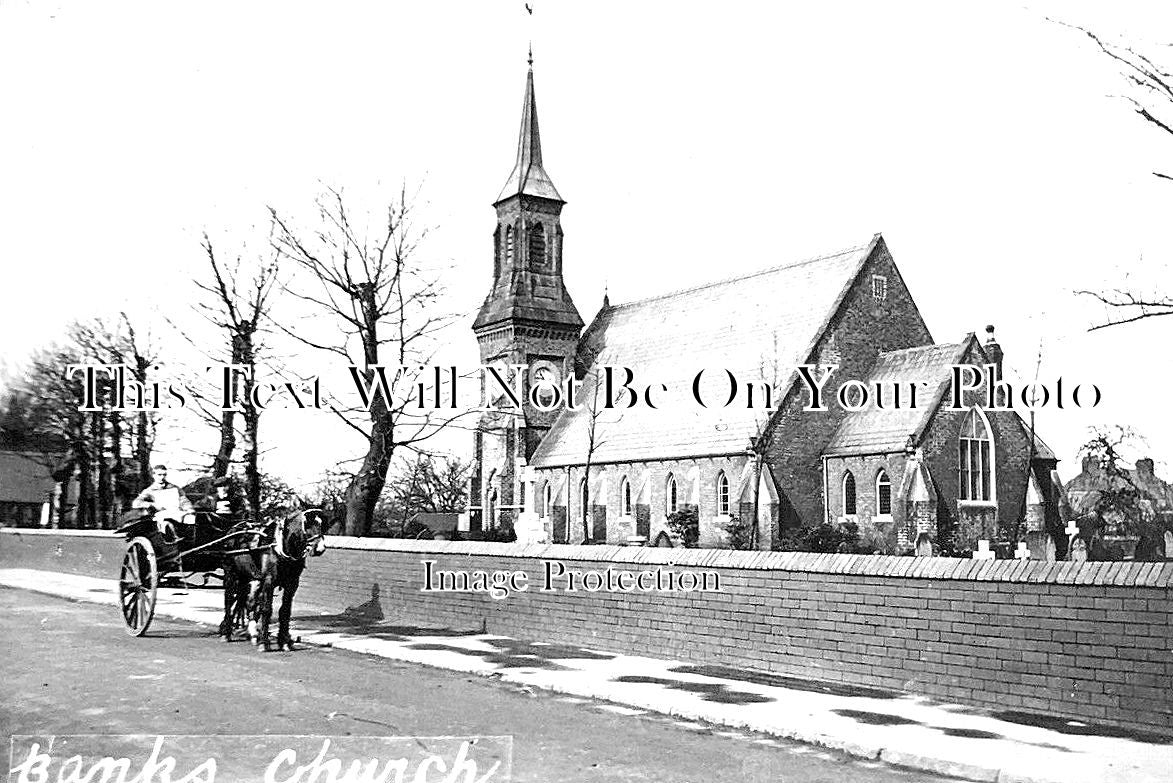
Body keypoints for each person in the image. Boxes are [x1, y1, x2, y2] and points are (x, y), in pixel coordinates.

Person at [132, 464, 192, 544]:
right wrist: (151, 504)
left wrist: (189, 509)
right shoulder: (150, 490)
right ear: (154, 475)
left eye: (164, 475)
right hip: (162, 514)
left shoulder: (174, 488)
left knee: (192, 518)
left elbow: (184, 500)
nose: (162, 477)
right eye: (159, 475)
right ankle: (173, 541)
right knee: (165, 523)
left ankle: (191, 541)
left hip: (177, 513)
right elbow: (136, 503)